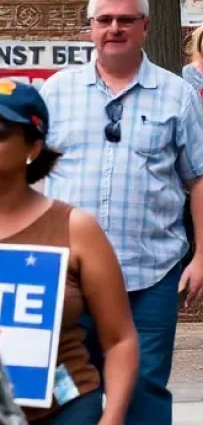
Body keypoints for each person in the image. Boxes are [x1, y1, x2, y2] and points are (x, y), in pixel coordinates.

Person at [41, 0, 203, 425]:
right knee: (68, 395)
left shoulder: (175, 93)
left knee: (143, 387)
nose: (114, 29)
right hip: (66, 279)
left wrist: (202, 257)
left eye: (126, 20)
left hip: (150, 274)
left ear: (145, 26)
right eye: (105, 20)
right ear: (90, 28)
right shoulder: (55, 93)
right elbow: (23, 177)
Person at [0, 81, 139, 425]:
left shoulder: (76, 228)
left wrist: (112, 417)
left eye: (0, 130)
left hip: (64, 409)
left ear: (34, 146)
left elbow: (120, 338)